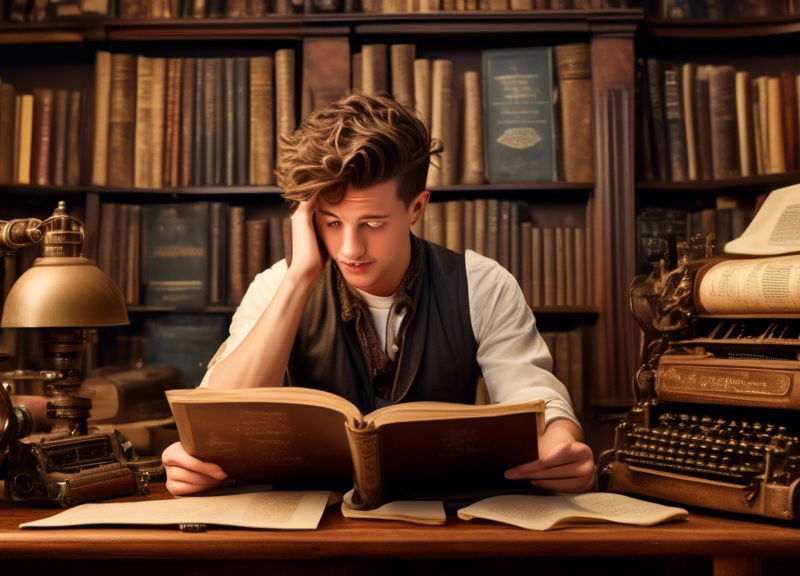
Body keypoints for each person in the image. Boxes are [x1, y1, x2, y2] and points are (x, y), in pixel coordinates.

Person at [162, 92, 595, 497]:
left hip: (445, 525)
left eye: (371, 223)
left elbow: (535, 399)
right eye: (332, 222)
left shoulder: (482, 283)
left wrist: (560, 445)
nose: (350, 248)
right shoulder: (278, 286)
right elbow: (220, 420)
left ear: (416, 208)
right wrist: (299, 280)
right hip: (310, 529)